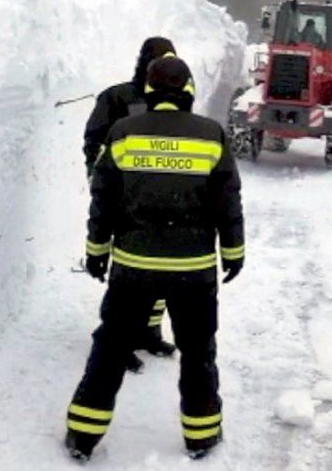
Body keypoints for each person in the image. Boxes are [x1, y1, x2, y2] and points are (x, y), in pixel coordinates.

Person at [65, 55, 245, 463]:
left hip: (133, 268)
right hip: (194, 272)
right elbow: (226, 202)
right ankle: (201, 436)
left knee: (110, 348)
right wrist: (233, 253)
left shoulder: (124, 132)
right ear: (188, 91)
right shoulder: (211, 134)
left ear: (148, 90)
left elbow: (103, 199)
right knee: (198, 352)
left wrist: (97, 251)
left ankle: (83, 435)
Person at [83, 36, 178, 369]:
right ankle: (118, 341)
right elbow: (94, 141)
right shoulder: (117, 97)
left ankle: (149, 333)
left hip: (162, 204)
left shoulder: (176, 102)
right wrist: (101, 181)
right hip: (124, 201)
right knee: (127, 276)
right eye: (157, 60)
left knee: (160, 272)